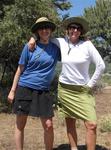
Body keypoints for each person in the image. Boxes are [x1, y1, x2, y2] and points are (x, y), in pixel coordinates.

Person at [28, 17, 105, 150]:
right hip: (65, 89)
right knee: (70, 123)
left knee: (92, 125)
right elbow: (45, 37)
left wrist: (90, 85)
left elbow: (101, 65)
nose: (74, 30)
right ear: (67, 30)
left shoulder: (87, 45)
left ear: (81, 31)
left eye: (78, 28)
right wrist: (33, 38)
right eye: (72, 27)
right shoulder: (61, 42)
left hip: (83, 91)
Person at [8, 17, 61, 150]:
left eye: (47, 27)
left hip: (43, 91)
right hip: (25, 87)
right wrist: (13, 90)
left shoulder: (56, 48)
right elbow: (20, 69)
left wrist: (84, 40)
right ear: (37, 31)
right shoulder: (30, 47)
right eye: (41, 28)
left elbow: (71, 46)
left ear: (51, 30)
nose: (44, 30)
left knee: (48, 125)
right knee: (20, 123)